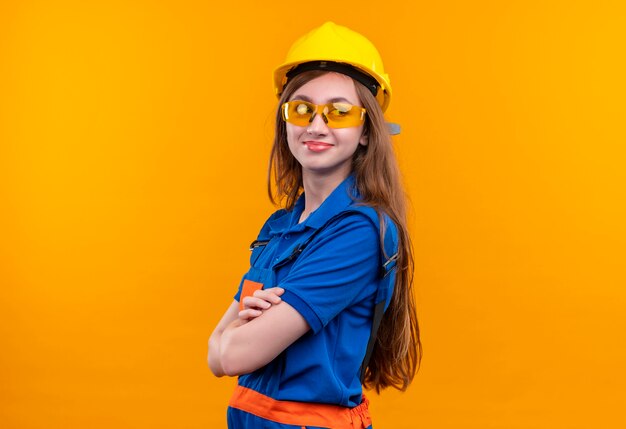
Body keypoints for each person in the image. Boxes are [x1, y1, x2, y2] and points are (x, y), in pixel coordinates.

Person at [208, 21, 421, 429]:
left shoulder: (360, 232)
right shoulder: (282, 227)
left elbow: (232, 355)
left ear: (365, 131)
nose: (317, 125)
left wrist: (234, 333)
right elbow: (214, 357)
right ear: (285, 120)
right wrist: (236, 334)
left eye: (340, 112)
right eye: (302, 109)